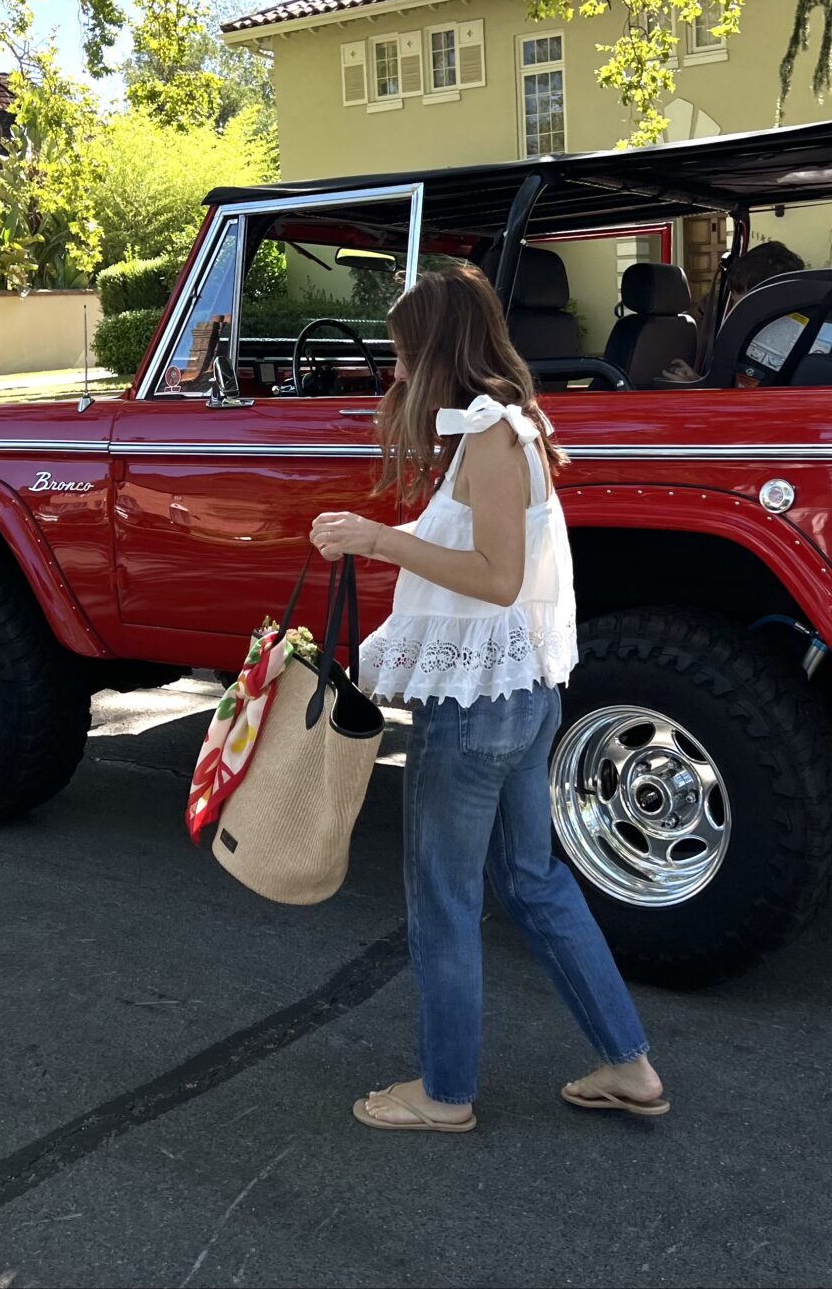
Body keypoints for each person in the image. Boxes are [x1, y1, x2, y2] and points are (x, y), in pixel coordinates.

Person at [310, 267, 665, 1134]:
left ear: (435, 351)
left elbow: (498, 580)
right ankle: (628, 1067)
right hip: (519, 694)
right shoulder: (503, 429)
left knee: (444, 898)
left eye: (400, 357)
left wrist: (374, 538)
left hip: (478, 711)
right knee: (532, 881)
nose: (394, 375)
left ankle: (445, 1093)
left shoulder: (494, 437)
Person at [661, 239, 806, 383]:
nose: (735, 304)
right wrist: (696, 382)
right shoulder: (747, 333)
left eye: (743, 296)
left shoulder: (790, 340)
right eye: (734, 294)